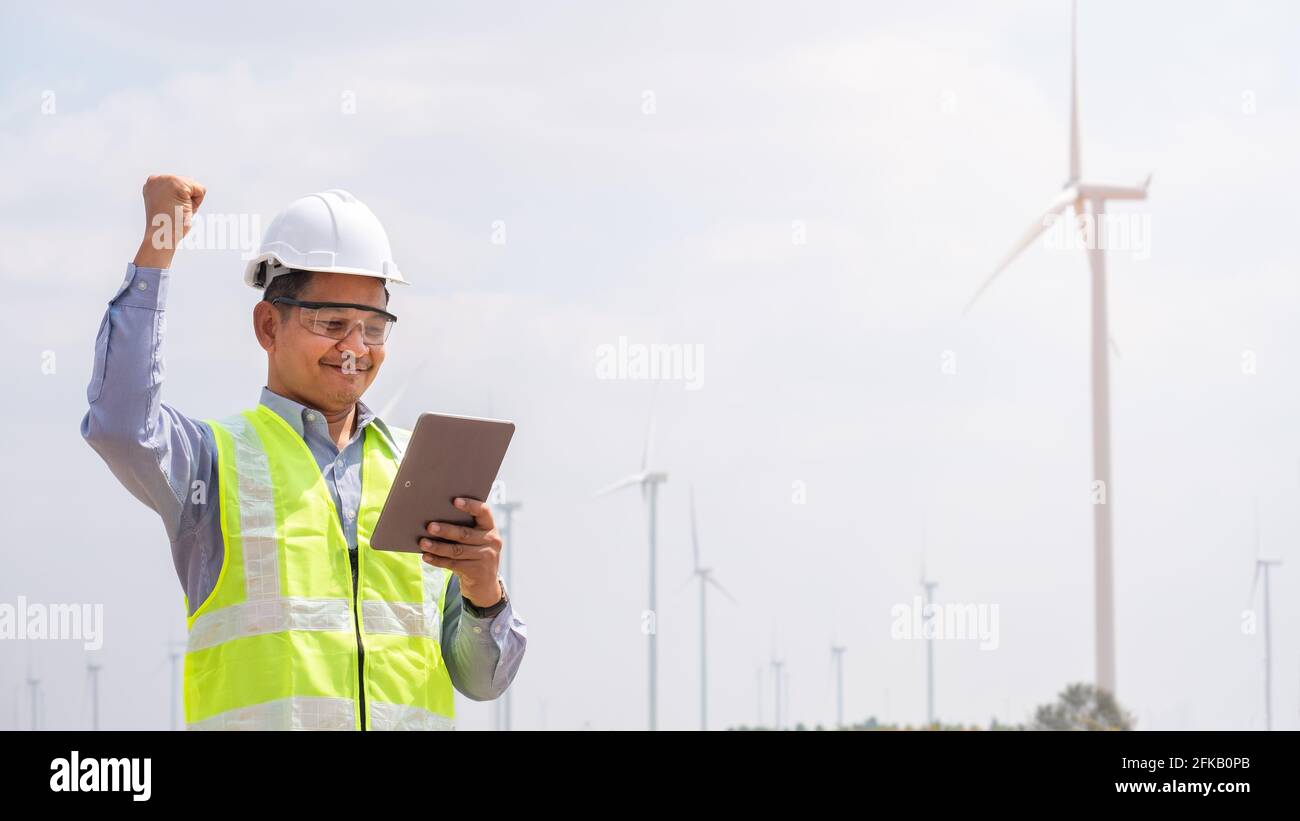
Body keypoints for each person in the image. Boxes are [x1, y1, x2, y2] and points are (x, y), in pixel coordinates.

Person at [81, 175, 526, 730]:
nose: (354, 349)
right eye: (331, 323)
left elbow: (483, 682)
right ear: (269, 325)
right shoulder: (212, 462)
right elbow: (120, 425)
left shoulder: (422, 466)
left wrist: (484, 594)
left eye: (373, 327)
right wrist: (157, 251)